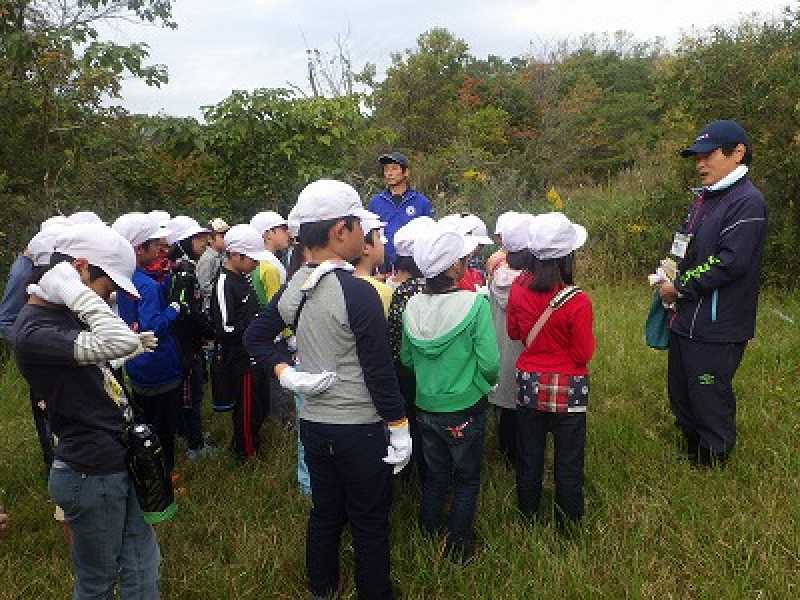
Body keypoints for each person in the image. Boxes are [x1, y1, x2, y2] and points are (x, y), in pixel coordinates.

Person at [244, 179, 410, 600]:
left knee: (325, 514)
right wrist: (400, 426)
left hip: (315, 425)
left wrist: (284, 372)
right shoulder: (359, 293)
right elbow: (379, 371)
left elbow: (257, 337)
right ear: (341, 230)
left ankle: (323, 588)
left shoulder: (297, 284)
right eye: (360, 228)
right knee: (370, 521)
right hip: (361, 428)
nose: (365, 237)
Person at [12, 223, 161, 599]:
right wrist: (72, 288)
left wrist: (127, 349)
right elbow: (115, 339)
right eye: (106, 288)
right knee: (97, 582)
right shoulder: (34, 330)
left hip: (114, 460)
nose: (107, 298)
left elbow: (109, 351)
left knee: (142, 561)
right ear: (79, 269)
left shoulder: (61, 318)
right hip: (90, 473)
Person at [656, 119, 767, 466]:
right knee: (682, 391)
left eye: (708, 155)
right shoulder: (704, 199)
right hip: (685, 316)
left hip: (718, 323)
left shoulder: (747, 202)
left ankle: (713, 459)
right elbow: (685, 243)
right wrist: (668, 269)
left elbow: (729, 261)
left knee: (709, 393)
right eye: (696, 157)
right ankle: (691, 447)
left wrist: (681, 286)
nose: (700, 163)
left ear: (738, 153)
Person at [400, 224, 499, 560]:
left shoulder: (412, 306)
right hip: (465, 408)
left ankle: (428, 535)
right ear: (455, 267)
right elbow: (489, 363)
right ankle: (459, 546)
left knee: (435, 475)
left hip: (425, 407)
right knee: (467, 478)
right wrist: (481, 385)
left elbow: (406, 359)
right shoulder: (474, 305)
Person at [507, 212, 594, 529]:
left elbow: (515, 333)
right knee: (568, 459)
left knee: (529, 454)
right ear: (567, 257)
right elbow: (584, 352)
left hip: (529, 382)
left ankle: (527, 514)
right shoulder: (578, 301)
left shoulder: (518, 289)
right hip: (568, 386)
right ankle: (568, 521)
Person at [115, 213, 184, 475]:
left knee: (146, 419)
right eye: (154, 244)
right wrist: (175, 309)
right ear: (139, 248)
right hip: (158, 365)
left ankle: (151, 468)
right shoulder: (146, 285)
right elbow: (152, 326)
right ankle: (164, 475)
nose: (159, 249)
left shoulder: (125, 278)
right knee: (163, 426)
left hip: (137, 363)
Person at [210, 224, 272, 460]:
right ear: (235, 255)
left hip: (254, 353)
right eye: (252, 259)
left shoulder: (243, 277)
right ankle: (246, 452)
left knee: (259, 404)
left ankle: (253, 440)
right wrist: (253, 329)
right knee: (246, 408)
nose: (256, 264)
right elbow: (225, 328)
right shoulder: (224, 283)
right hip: (240, 358)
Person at [386, 216, 435, 482]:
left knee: (411, 423)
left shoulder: (401, 291)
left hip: (404, 370)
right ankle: (430, 477)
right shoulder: (428, 289)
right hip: (432, 371)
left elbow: (393, 338)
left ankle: (407, 475)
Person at [166, 216, 216, 461]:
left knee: (191, 393)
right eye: (197, 238)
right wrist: (209, 330)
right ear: (183, 242)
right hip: (185, 346)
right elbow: (186, 312)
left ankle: (190, 435)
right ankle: (194, 445)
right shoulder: (183, 273)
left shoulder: (182, 268)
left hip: (188, 344)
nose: (204, 242)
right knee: (190, 396)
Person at [486, 213, 533, 466]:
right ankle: (522, 455)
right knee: (524, 404)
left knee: (506, 404)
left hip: (501, 346)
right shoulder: (532, 283)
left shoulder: (497, 273)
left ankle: (505, 453)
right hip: (524, 350)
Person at [367, 152, 434, 273]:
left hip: (412, 268)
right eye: (386, 169)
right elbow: (368, 234)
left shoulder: (421, 202)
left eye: (394, 168)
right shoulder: (375, 202)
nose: (389, 173)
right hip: (382, 268)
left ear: (405, 172)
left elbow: (429, 236)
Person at [352, 211, 393, 317]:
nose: (383, 245)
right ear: (365, 247)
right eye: (378, 238)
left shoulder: (342, 283)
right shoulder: (382, 291)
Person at [196, 217, 230, 313]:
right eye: (222, 236)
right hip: (210, 307)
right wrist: (223, 292)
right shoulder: (207, 258)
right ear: (210, 239)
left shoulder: (223, 255)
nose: (226, 239)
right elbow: (204, 286)